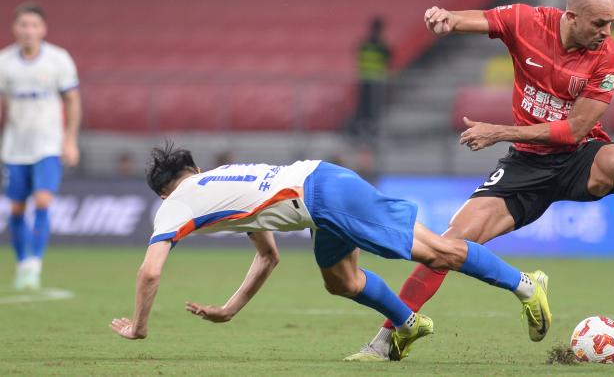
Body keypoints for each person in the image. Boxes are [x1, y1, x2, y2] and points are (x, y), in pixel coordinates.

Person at [346, 0, 614, 362]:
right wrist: (449, 19)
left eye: (610, 23)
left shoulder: (609, 54)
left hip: (578, 156)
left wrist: (498, 132)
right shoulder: (528, 22)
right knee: (447, 245)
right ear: (571, 17)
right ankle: (386, 339)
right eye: (599, 23)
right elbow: (484, 19)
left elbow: (575, 130)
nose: (607, 32)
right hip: (526, 164)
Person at [109, 144, 553, 362]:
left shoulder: (177, 204)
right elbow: (268, 256)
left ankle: (526, 285)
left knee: (437, 252)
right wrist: (229, 309)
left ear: (164, 193)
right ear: (196, 169)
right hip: (321, 194)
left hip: (324, 196)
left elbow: (150, 272)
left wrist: (140, 327)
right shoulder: (219, 181)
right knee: (341, 280)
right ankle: (408, 323)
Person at [0, 2, 81, 290]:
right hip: (14, 147)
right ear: (15, 28)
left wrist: (70, 140)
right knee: (17, 208)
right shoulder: (5, 62)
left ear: (43, 29)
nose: (28, 30)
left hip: (48, 144)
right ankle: (23, 263)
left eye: (34, 25)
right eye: (23, 25)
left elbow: (72, 101)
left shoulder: (58, 60)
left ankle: (35, 263)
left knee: (43, 200)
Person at [351, 16, 391, 139]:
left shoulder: (366, 45)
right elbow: (388, 61)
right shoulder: (381, 47)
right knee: (370, 109)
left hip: (369, 81)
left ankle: (366, 131)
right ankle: (367, 131)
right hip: (373, 82)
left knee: (367, 109)